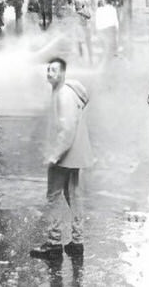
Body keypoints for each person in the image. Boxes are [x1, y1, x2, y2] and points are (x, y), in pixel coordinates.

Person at [30, 56, 92, 261]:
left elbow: (67, 129)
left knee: (54, 196)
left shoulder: (63, 94)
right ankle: (77, 242)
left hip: (64, 156)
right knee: (73, 196)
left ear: (63, 73)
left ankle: (54, 243)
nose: (49, 74)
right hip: (76, 154)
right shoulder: (69, 91)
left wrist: (54, 155)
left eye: (54, 70)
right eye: (48, 70)